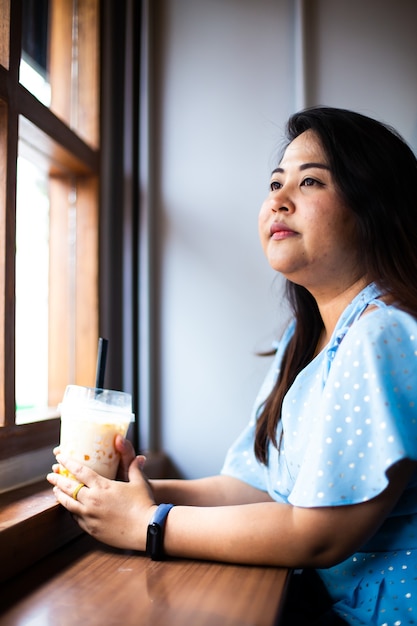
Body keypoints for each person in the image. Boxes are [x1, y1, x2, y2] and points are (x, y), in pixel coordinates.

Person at [47, 106, 417, 625]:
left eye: (310, 182)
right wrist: (113, 493)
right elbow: (252, 485)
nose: (277, 200)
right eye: (274, 182)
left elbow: (318, 535)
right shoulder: (305, 339)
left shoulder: (383, 333)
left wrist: (148, 525)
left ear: (377, 207)